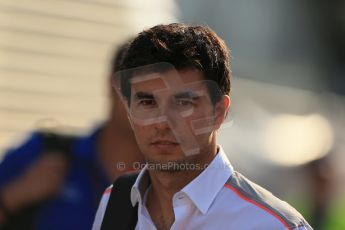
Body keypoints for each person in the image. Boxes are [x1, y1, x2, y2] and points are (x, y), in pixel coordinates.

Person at [92, 23, 313, 230]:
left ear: (219, 112)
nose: (162, 122)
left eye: (183, 103)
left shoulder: (273, 225)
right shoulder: (115, 201)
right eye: (148, 102)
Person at [0, 42, 144, 230]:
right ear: (113, 86)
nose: (156, 109)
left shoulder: (176, 178)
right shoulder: (44, 152)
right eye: (143, 94)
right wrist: (14, 196)